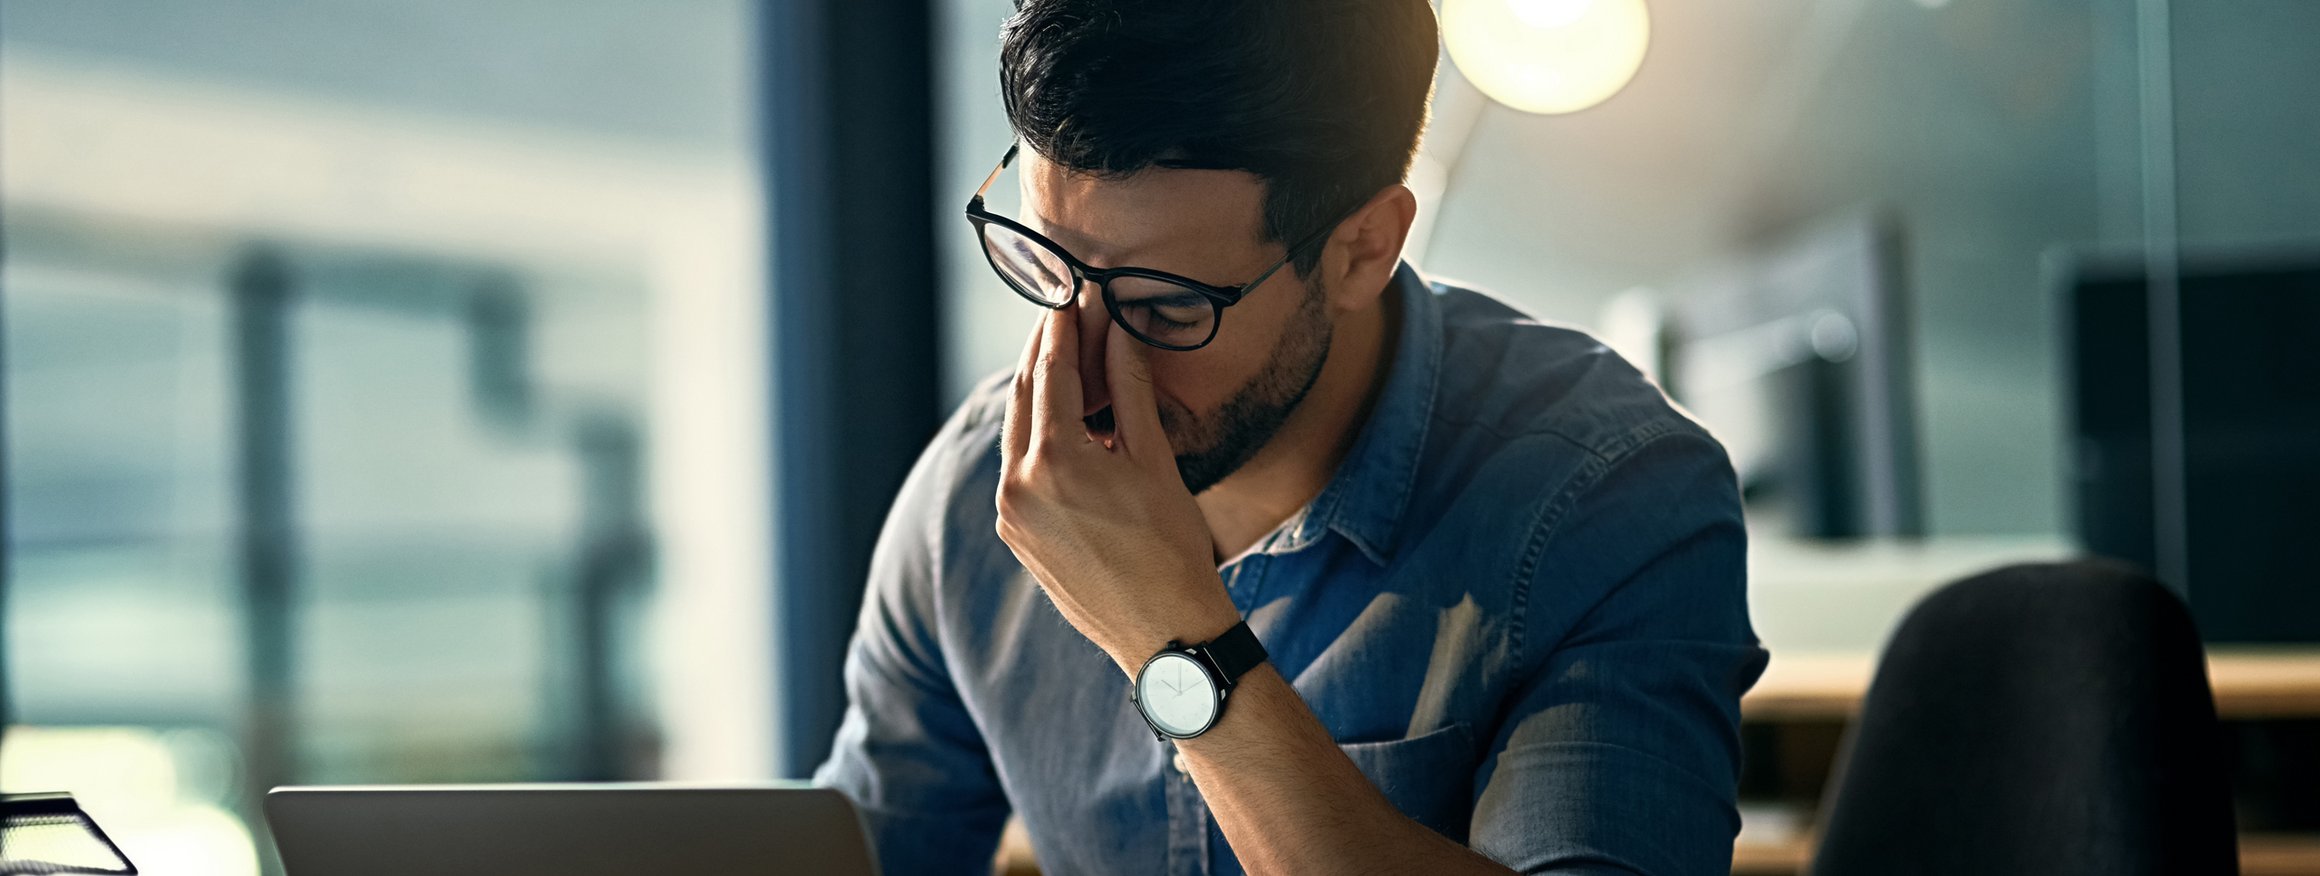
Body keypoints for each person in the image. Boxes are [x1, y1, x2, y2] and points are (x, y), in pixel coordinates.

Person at [814, 1, 1768, 872]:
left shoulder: (1609, 495)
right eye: (1047, 264)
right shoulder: (975, 497)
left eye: (1166, 307)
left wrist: (1171, 641)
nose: (1084, 370)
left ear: (1363, 249)